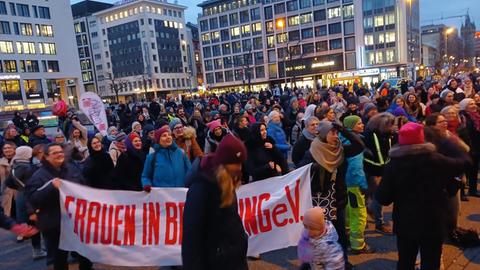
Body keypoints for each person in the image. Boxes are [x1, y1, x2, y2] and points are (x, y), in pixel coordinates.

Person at [376, 122, 470, 270]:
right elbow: (465, 162)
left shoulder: (394, 165)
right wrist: (447, 140)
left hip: (405, 223)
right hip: (433, 221)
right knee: (431, 262)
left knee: (405, 262)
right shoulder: (436, 160)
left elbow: (383, 198)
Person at [298, 121, 365, 270]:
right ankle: (308, 264)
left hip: (338, 200)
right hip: (318, 202)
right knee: (314, 236)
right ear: (323, 134)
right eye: (332, 132)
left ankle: (342, 262)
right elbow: (300, 172)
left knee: (340, 235)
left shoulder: (340, 149)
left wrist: (344, 130)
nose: (336, 136)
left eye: (337, 133)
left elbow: (360, 145)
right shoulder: (312, 152)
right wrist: (314, 167)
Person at [182, 134, 248, 270]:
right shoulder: (200, 190)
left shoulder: (228, 181)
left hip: (233, 260)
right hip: (214, 262)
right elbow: (191, 239)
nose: (239, 168)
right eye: (236, 163)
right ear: (224, 164)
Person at [25, 143, 93, 270]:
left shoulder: (72, 169)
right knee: (60, 257)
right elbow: (33, 198)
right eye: (55, 153)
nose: (59, 155)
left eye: (61, 152)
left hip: (76, 219)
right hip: (54, 222)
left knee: (84, 252)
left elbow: (85, 186)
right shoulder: (38, 176)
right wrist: (51, 188)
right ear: (46, 157)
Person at [4, 146, 46, 259]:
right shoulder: (28, 168)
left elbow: (8, 182)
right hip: (32, 198)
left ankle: (37, 250)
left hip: (21, 197)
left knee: (32, 224)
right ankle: (40, 250)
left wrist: (20, 188)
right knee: (40, 223)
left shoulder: (14, 165)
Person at [340, 116, 373, 254]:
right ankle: (358, 245)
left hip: (345, 183)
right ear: (351, 125)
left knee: (348, 211)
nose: (362, 125)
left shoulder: (343, 138)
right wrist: (363, 184)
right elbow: (356, 168)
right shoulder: (353, 143)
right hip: (354, 184)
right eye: (359, 123)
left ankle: (347, 235)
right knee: (359, 213)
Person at [362, 112, 396, 234]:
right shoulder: (369, 135)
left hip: (382, 170)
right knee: (377, 197)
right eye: (390, 125)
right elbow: (375, 155)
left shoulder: (388, 134)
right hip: (372, 170)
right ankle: (379, 223)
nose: (393, 127)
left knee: (372, 196)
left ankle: (370, 211)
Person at [141, 126, 191, 190]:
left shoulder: (181, 153)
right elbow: (145, 176)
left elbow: (189, 172)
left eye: (169, 135)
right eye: (164, 136)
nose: (168, 137)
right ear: (158, 140)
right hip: (161, 197)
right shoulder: (151, 157)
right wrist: (147, 185)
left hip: (180, 195)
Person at [459, 98, 480, 197]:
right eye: (471, 104)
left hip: (476, 144)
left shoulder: (476, 115)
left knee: (474, 168)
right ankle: (463, 192)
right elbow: (465, 133)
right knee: (467, 169)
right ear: (464, 106)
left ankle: (473, 189)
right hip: (469, 146)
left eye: (474, 103)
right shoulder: (463, 116)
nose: (474, 105)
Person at [0, 142, 16, 217]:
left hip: (18, 194)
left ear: (14, 149)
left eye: (9, 147)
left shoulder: (20, 161)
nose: (7, 150)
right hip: (5, 194)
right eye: (5, 148)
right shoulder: (0, 163)